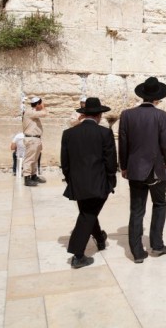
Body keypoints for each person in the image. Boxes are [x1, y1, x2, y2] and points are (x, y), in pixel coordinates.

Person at [119, 77, 166, 263]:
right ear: (157, 97)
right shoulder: (162, 116)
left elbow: (123, 144)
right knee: (160, 204)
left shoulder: (126, 115)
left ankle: (137, 253)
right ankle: (157, 245)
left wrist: (123, 166)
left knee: (137, 209)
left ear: (142, 95)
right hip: (156, 169)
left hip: (134, 169)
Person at [61, 97, 117, 269]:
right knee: (87, 215)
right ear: (99, 115)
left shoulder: (69, 134)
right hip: (98, 183)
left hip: (77, 183)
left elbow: (65, 162)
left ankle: (100, 238)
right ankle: (77, 254)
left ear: (83, 114)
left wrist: (71, 180)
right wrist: (111, 182)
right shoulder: (104, 133)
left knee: (88, 211)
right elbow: (110, 162)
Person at [22, 97, 48, 186]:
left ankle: (33, 175)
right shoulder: (30, 112)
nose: (41, 106)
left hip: (35, 139)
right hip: (31, 139)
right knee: (29, 159)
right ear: (38, 104)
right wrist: (43, 107)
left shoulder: (33, 113)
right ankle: (27, 177)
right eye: (40, 104)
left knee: (34, 159)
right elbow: (44, 113)